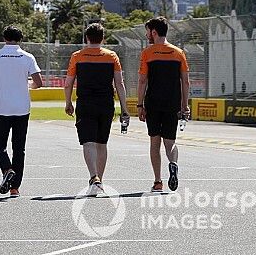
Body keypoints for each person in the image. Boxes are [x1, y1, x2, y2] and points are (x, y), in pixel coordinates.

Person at [64, 23, 130, 195]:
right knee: (102, 143)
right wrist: (124, 108)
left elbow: (68, 83)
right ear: (103, 38)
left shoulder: (77, 56)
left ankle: (94, 177)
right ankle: (99, 180)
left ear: (87, 38)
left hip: (85, 103)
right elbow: (120, 84)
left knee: (88, 141)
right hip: (106, 103)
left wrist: (68, 102)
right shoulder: (112, 56)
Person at [0, 25, 43, 197]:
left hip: (2, 106)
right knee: (19, 148)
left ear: (4, 38)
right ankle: (15, 188)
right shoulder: (27, 57)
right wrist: (28, 85)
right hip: (22, 107)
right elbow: (39, 82)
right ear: (20, 39)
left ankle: (7, 169)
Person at [137, 16, 190, 193]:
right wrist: (184, 105)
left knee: (155, 142)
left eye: (148, 32)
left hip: (153, 103)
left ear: (154, 32)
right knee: (170, 142)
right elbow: (185, 82)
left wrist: (139, 105)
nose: (147, 35)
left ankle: (158, 181)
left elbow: (142, 81)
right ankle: (173, 164)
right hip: (172, 103)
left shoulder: (148, 53)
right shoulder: (178, 53)